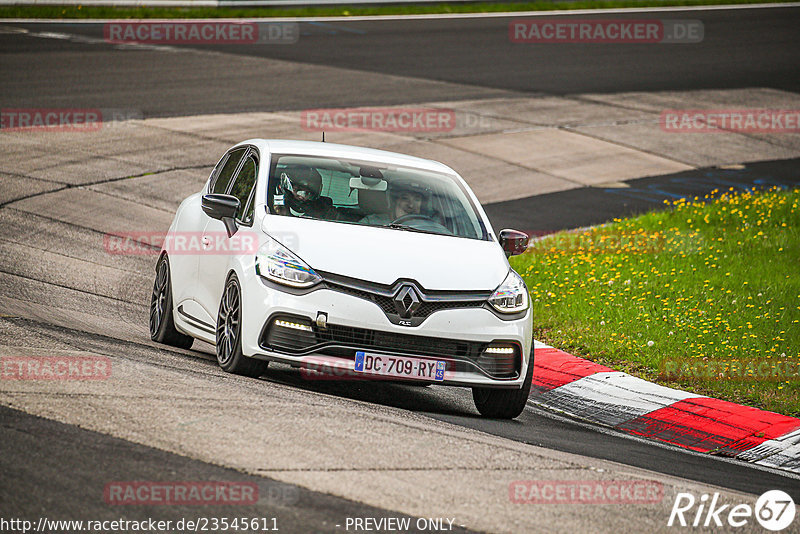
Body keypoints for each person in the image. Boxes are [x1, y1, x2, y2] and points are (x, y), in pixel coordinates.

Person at [273, 166, 338, 220]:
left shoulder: (323, 210)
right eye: (299, 190)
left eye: (309, 192)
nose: (303, 196)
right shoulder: (271, 208)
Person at [360, 178, 431, 226]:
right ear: (393, 202)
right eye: (405, 198)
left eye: (417, 199)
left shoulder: (430, 228)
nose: (411, 205)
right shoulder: (371, 223)